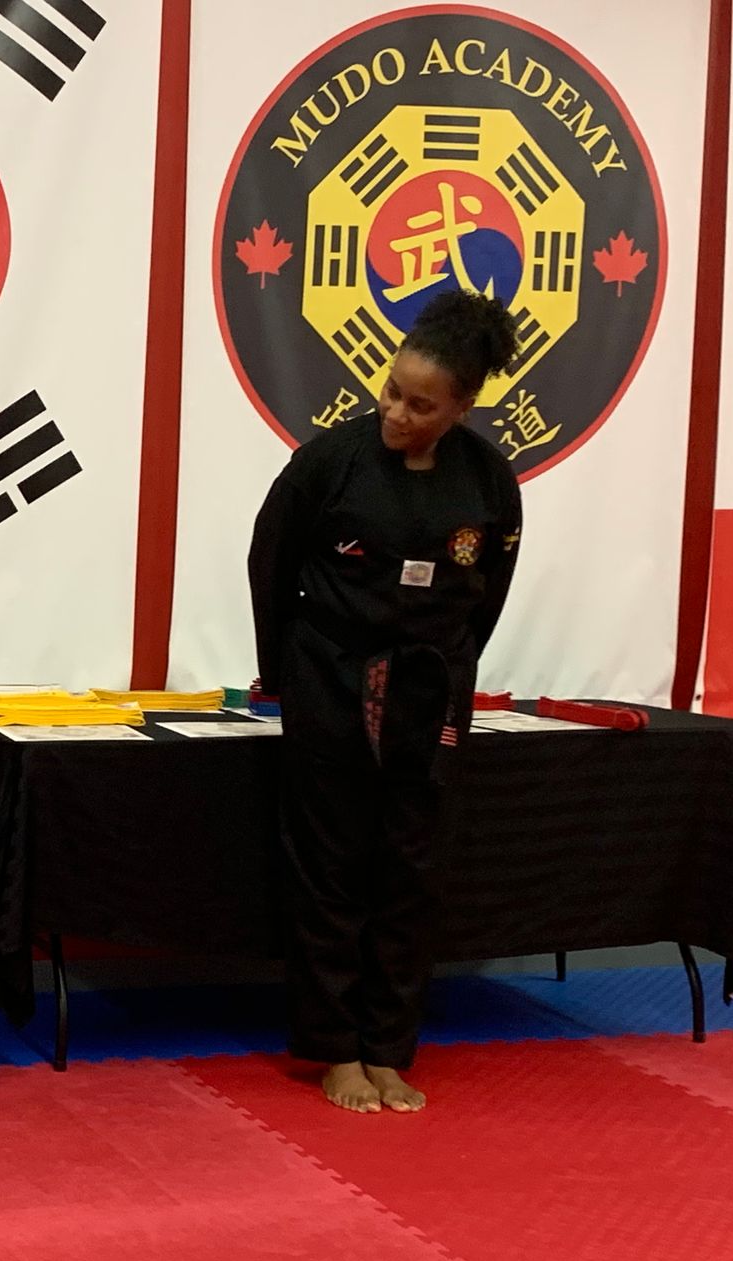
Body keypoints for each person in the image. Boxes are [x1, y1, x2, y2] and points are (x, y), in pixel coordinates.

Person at [247, 289, 522, 1115]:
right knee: (331, 864)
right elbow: (270, 565)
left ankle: (389, 1049)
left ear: (462, 407)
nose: (396, 412)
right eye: (392, 391)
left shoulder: (490, 483)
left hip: (431, 688)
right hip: (331, 675)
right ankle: (336, 1049)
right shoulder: (329, 463)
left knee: (412, 868)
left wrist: (453, 666)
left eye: (421, 405)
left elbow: (487, 595)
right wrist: (282, 675)